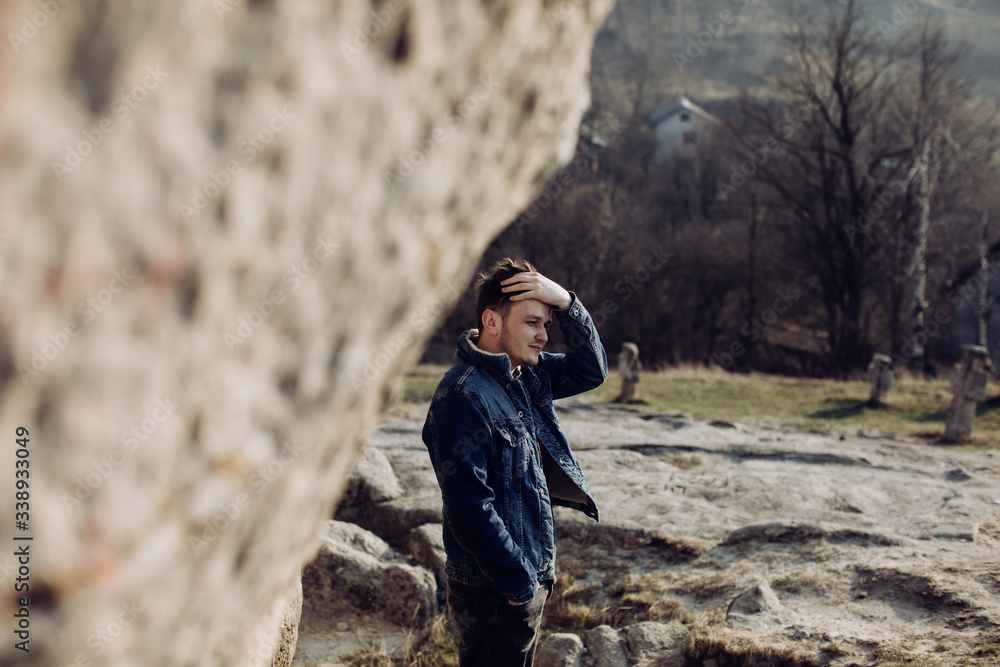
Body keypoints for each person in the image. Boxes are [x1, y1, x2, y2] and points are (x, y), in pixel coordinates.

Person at [422, 258, 607, 667]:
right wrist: (519, 584)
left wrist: (566, 301)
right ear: (491, 320)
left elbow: (592, 371)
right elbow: (470, 506)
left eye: (547, 324)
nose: (543, 336)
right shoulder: (462, 397)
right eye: (532, 323)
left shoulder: (527, 374)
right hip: (494, 589)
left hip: (527, 576)